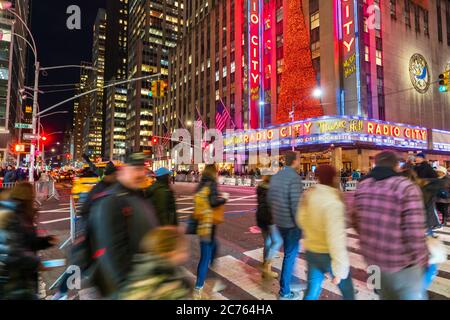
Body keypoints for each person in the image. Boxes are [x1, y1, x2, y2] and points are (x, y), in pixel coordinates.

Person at [353, 151, 428, 300]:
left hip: (373, 263)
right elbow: (414, 233)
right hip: (402, 266)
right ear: (396, 166)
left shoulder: (362, 186)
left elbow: (356, 220)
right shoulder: (406, 187)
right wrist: (423, 260)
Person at [87, 153, 160, 298]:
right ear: (123, 170)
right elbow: (112, 252)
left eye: (142, 169)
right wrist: (127, 290)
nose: (140, 173)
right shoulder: (112, 201)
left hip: (145, 282)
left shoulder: (138, 195)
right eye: (135, 168)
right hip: (128, 289)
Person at [52, 162, 118, 300]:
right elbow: (86, 210)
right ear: (111, 175)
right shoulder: (102, 188)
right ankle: (61, 292)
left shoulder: (107, 186)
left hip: (100, 233)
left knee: (89, 264)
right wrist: (84, 232)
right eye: (116, 174)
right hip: (93, 232)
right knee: (81, 262)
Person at [298, 165, 354, 300]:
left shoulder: (309, 195)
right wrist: (340, 271)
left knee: (312, 290)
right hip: (328, 254)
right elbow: (336, 238)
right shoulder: (334, 202)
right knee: (348, 292)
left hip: (312, 251)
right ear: (334, 178)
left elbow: (300, 219)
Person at [0, 183, 58, 299]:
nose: (34, 197)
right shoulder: (15, 215)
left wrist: (46, 241)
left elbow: (26, 241)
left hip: (20, 276)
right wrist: (36, 263)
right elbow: (15, 250)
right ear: (27, 196)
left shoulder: (21, 214)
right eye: (32, 195)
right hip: (13, 277)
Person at [118, 226, 192, 300]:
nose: (186, 256)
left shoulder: (146, 269)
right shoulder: (161, 280)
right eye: (182, 251)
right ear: (168, 253)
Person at [268, 151, 303, 300]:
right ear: (294, 161)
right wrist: (300, 224)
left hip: (279, 222)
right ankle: (285, 291)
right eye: (299, 159)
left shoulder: (276, 176)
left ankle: (289, 281)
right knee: (290, 255)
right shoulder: (294, 178)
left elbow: (270, 199)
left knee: (290, 254)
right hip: (291, 225)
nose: (300, 161)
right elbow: (296, 205)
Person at [193, 164, 228, 300]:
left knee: (214, 248)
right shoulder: (212, 184)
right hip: (208, 226)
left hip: (202, 224)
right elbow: (213, 202)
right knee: (205, 257)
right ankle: (198, 287)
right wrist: (224, 199)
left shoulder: (201, 184)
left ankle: (211, 279)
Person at [256, 171, 282, 279]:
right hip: (270, 217)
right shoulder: (273, 189)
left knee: (267, 241)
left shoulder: (260, 187)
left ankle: (265, 269)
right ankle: (267, 265)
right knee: (277, 241)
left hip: (260, 216)